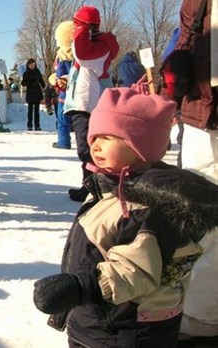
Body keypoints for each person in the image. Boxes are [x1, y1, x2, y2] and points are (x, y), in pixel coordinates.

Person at [33, 87, 218, 347]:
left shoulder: (148, 207)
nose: (94, 145)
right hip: (101, 321)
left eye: (107, 137)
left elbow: (136, 270)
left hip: (126, 330)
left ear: (139, 145)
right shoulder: (109, 187)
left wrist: (81, 287)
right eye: (94, 136)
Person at [165, 0, 218, 346]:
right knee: (202, 220)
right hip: (205, 114)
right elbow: (185, 40)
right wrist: (172, 92)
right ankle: (199, 318)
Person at [63, 5, 119, 202]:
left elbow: (82, 52)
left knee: (88, 150)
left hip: (88, 106)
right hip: (82, 104)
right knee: (86, 149)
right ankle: (89, 186)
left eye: (76, 26)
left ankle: (97, 187)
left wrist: (81, 30)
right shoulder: (94, 47)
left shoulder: (98, 48)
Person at [53, 20, 74, 150]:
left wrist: (54, 79)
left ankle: (63, 141)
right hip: (79, 92)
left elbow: (59, 74)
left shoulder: (62, 54)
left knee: (63, 118)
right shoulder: (80, 53)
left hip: (64, 92)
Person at [21, 58, 45, 131]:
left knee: (37, 111)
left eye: (34, 65)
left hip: (37, 92)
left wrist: (44, 87)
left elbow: (41, 80)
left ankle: (37, 125)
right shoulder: (26, 73)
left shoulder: (37, 72)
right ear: (28, 65)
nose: (33, 66)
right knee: (30, 111)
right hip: (30, 93)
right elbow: (23, 83)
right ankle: (30, 125)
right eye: (31, 65)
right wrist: (29, 82)